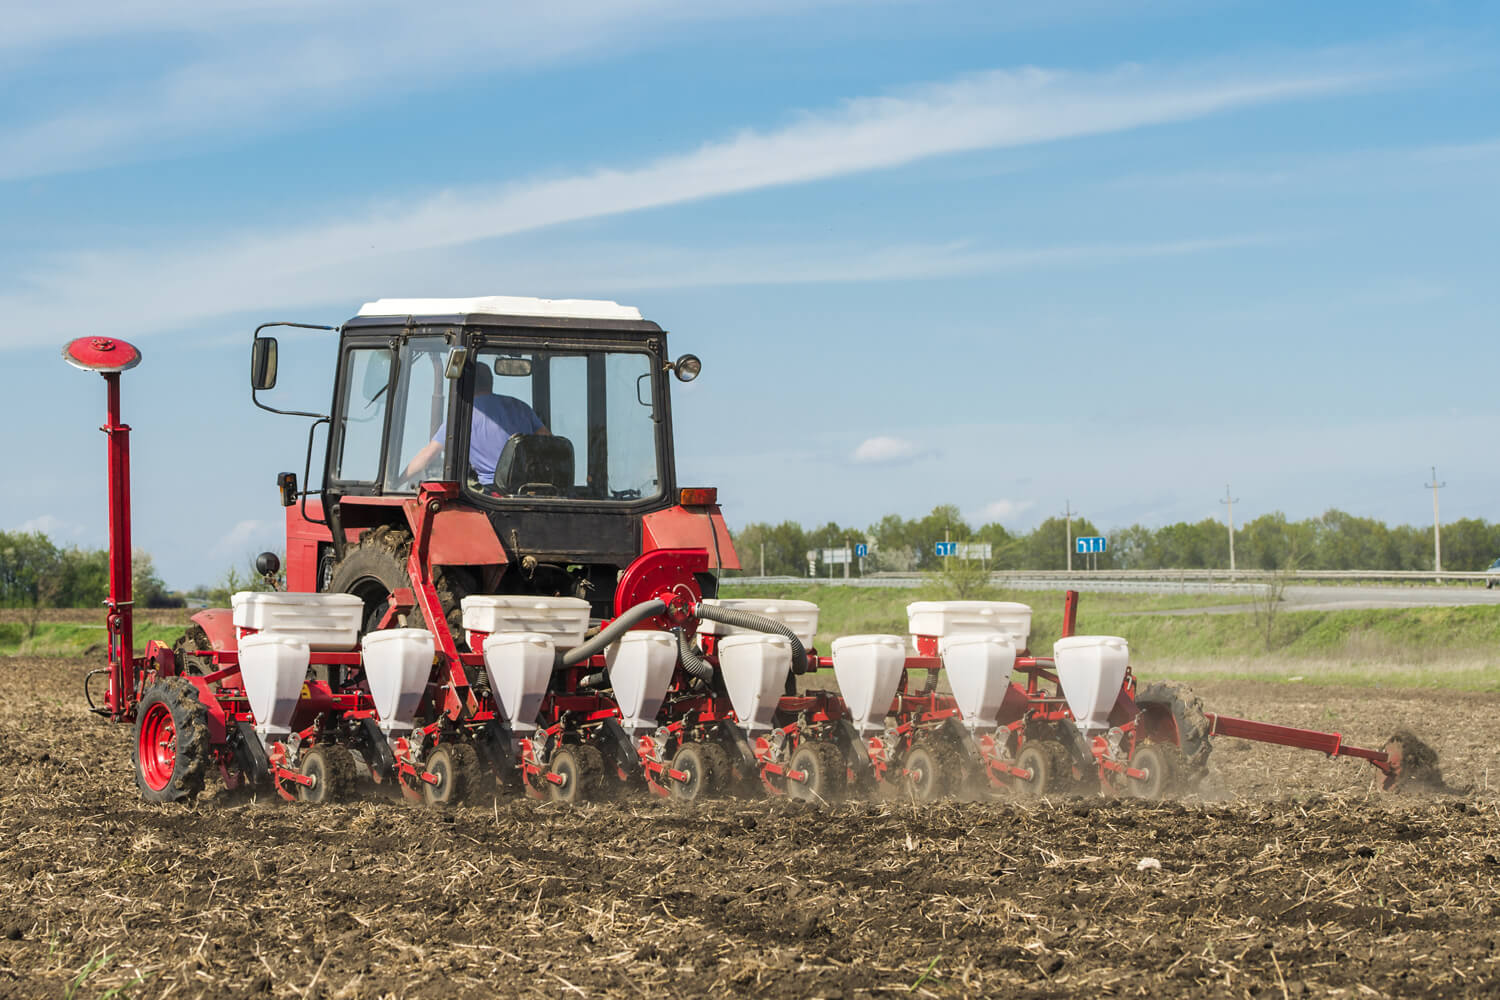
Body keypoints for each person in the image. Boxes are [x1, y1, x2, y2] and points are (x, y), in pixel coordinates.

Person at [401, 364, 547, 486]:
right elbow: (548, 441)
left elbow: (428, 455)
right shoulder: (520, 407)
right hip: (525, 489)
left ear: (466, 385)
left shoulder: (464, 414)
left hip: (491, 492)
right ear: (491, 382)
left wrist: (396, 483)